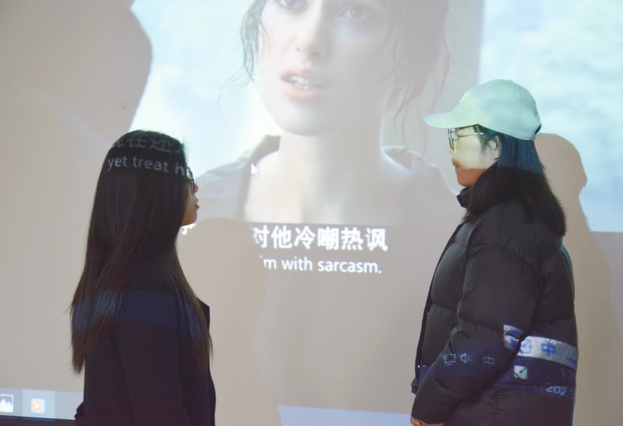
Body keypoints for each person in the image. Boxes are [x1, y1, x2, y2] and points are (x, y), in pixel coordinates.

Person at [188, 0, 465, 415]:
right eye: (290, 3)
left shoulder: (456, 235)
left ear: (410, 49)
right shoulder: (192, 214)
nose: (309, 40)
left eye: (355, 12)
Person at [410, 80, 578, 426]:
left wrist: (429, 407)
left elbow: (484, 339)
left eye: (459, 136)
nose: (451, 151)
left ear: (497, 146)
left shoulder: (507, 226)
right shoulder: (513, 219)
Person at [70, 130, 216, 426]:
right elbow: (161, 412)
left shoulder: (115, 279)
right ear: (156, 190)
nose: (195, 187)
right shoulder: (144, 286)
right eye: (187, 176)